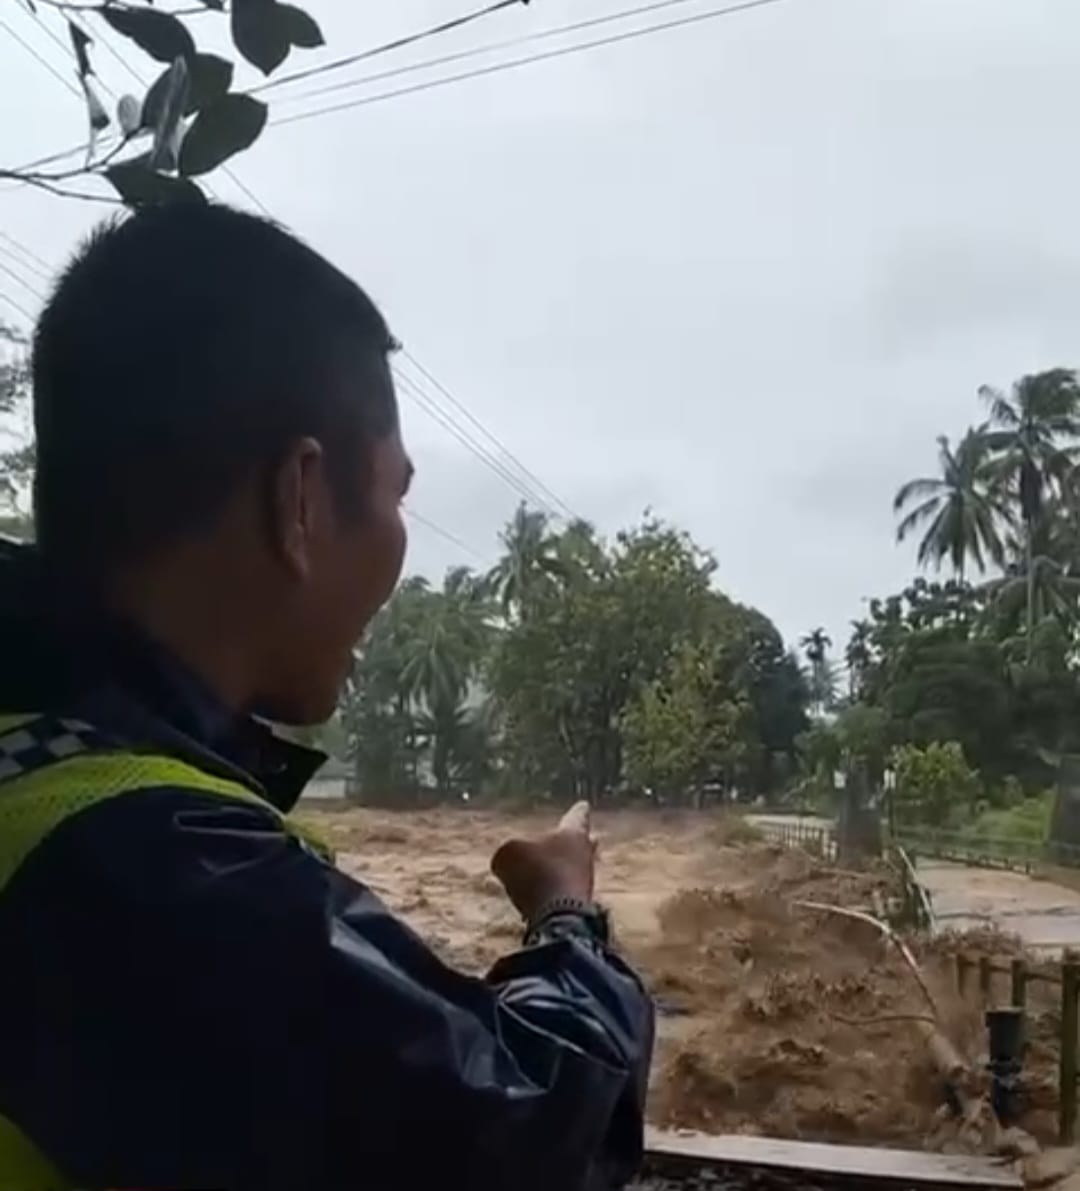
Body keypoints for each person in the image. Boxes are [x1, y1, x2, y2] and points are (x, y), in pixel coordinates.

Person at [0, 204, 654, 1191]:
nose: (399, 542)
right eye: (396, 496)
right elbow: (528, 1133)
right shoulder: (153, 865)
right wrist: (569, 916)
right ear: (301, 501)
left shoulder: (43, 765)